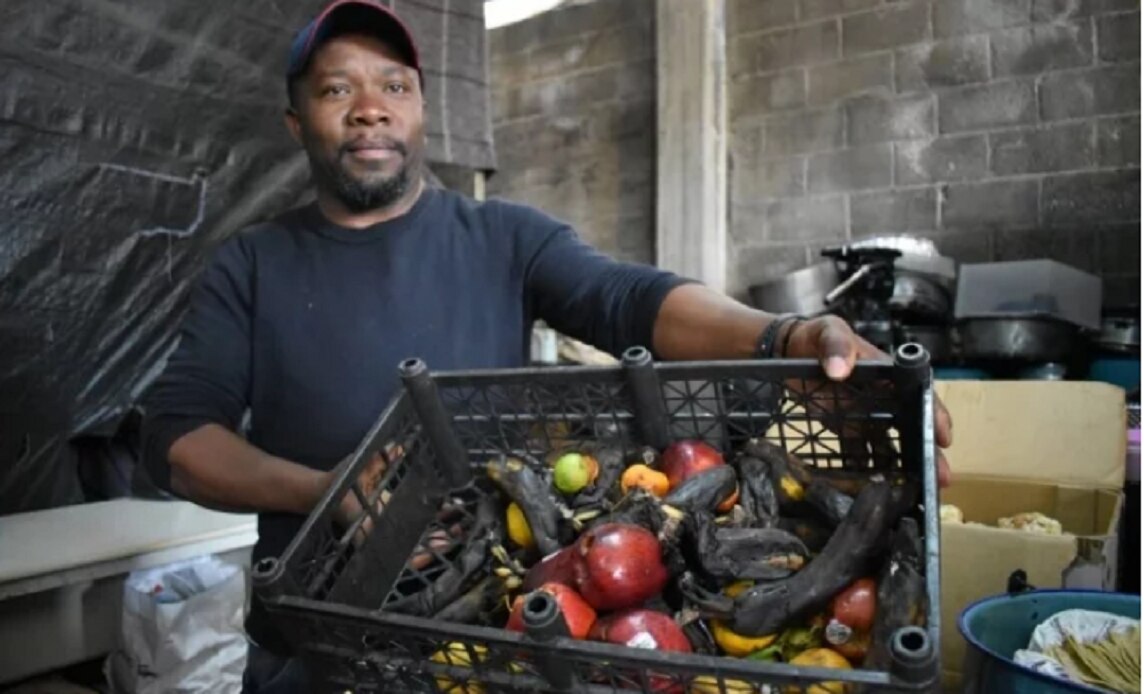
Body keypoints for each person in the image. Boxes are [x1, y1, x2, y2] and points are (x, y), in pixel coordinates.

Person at [139, 1, 953, 691]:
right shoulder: (250, 264)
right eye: (335, 89)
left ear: (422, 108)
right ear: (297, 120)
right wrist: (327, 489)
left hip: (493, 635)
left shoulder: (503, 237)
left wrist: (782, 337)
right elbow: (180, 439)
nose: (370, 107)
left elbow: (627, 298)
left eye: (394, 85)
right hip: (316, 642)